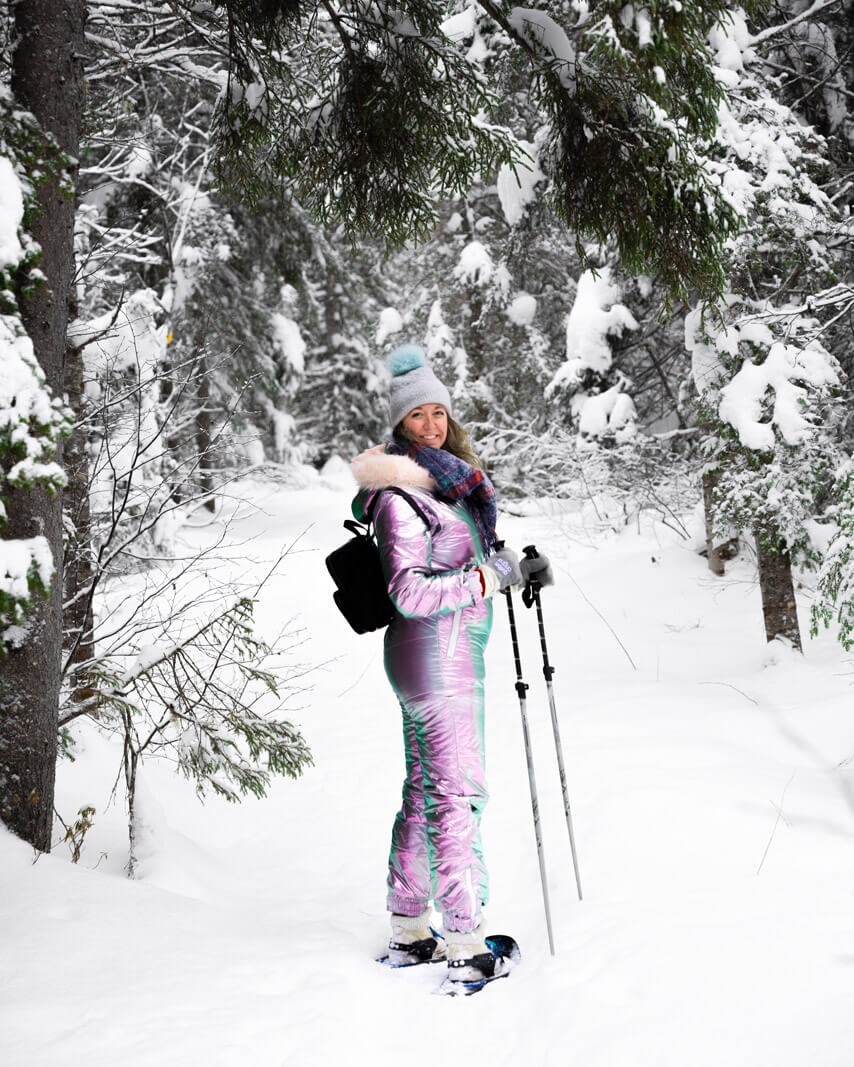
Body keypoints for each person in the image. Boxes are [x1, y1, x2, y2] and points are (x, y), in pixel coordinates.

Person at [350, 343, 525, 988]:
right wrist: (488, 577)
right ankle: (465, 939)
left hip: (446, 656)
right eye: (417, 416)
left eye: (438, 414)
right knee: (458, 794)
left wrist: (504, 566)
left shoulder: (447, 488)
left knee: (427, 793)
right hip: (436, 657)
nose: (431, 425)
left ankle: (410, 930)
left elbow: (467, 561)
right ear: (400, 426)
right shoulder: (402, 495)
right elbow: (411, 592)